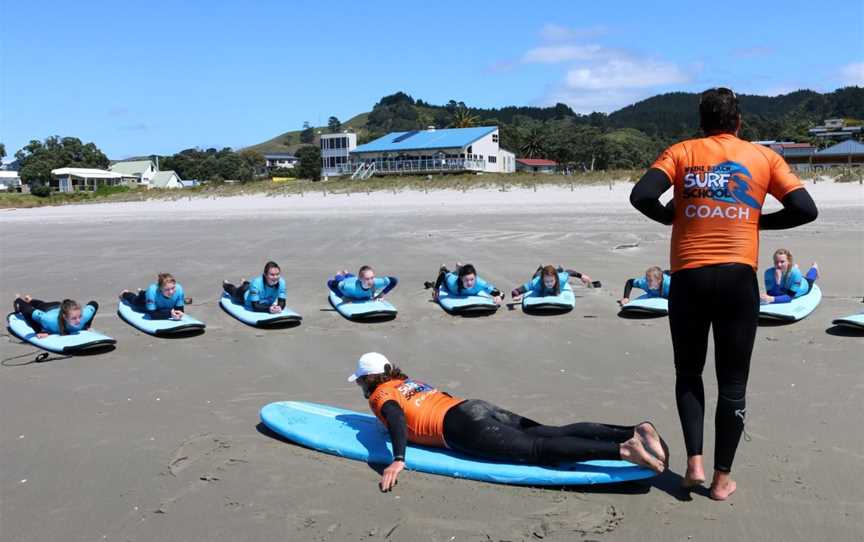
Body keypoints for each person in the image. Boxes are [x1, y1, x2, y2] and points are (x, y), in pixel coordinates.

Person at [630, 87, 817, 500]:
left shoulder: (681, 152)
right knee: (732, 384)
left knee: (689, 373)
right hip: (737, 280)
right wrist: (755, 223)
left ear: (702, 122)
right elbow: (806, 208)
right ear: (738, 122)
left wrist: (671, 217)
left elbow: (641, 195)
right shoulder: (763, 156)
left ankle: (693, 462)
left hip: (690, 278)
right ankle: (720, 479)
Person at [349, 353, 668, 492]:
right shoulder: (408, 381)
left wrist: (398, 460)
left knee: (539, 449)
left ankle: (623, 450)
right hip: (471, 407)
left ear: (369, 378)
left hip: (462, 428)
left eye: (361, 381)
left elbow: (396, 419)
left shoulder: (380, 395)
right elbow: (433, 399)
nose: (362, 387)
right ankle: (634, 429)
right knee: (549, 432)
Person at [13, 295, 98, 338]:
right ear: (65, 317)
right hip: (47, 309)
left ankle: (31, 300)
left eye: (80, 316)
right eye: (74, 318)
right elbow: (27, 310)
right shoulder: (48, 319)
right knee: (41, 305)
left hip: (61, 306)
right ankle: (19, 300)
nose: (79, 321)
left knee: (42, 304)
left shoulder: (84, 316)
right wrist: (38, 331)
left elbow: (94, 304)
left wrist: (87, 325)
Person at [428, 263, 504, 305]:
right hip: (450, 279)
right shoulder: (453, 283)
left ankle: (459, 269)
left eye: (472, 279)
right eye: (467, 280)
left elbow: (500, 293)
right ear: (461, 279)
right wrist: (436, 289)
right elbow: (443, 275)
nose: (470, 283)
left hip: (461, 275)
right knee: (445, 272)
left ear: (475, 277)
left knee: (464, 273)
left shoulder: (480, 283)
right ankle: (446, 267)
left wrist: (499, 297)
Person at [120, 273, 186, 320]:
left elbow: (180, 309)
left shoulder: (179, 289)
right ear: (160, 289)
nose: (171, 292)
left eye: (173, 288)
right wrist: (171, 314)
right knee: (135, 303)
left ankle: (142, 292)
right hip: (147, 298)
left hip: (155, 299)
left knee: (147, 294)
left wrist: (178, 313)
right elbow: (153, 315)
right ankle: (125, 293)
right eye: (167, 289)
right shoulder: (152, 292)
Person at [511, 264, 595, 300]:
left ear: (556, 279)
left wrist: (581, 276)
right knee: (537, 274)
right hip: (539, 275)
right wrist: (515, 296)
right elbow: (516, 291)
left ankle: (558, 270)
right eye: (546, 282)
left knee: (560, 272)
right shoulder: (537, 283)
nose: (549, 284)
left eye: (551, 281)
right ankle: (540, 268)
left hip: (557, 274)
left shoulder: (561, 279)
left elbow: (569, 272)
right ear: (542, 280)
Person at [328, 265, 398, 302]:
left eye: (372, 277)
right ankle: (339, 274)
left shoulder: (376, 282)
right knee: (340, 278)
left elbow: (394, 280)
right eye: (367, 279)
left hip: (355, 278)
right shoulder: (349, 286)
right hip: (348, 281)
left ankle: (347, 273)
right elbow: (330, 283)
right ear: (360, 279)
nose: (370, 281)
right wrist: (343, 297)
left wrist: (381, 295)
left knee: (352, 276)